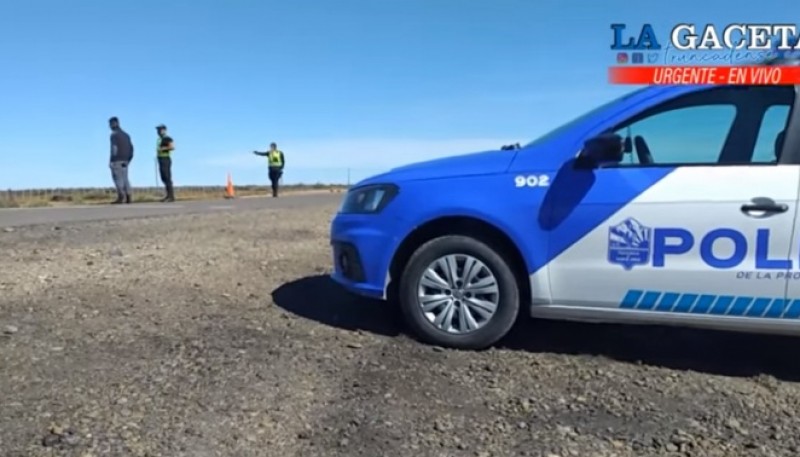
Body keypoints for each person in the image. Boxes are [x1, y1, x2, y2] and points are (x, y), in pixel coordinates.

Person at [108, 117, 134, 204]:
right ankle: (128, 196)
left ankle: (121, 197)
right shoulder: (126, 135)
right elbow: (131, 148)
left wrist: (112, 160)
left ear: (113, 124)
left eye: (110, 124)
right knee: (125, 178)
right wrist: (129, 158)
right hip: (126, 159)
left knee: (118, 178)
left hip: (117, 159)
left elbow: (114, 148)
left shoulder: (114, 135)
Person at [155, 124, 175, 202]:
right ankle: (168, 195)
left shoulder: (167, 138)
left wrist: (163, 148)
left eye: (160, 130)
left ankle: (171, 196)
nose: (158, 131)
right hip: (161, 159)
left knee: (167, 177)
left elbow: (172, 147)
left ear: (164, 130)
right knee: (163, 177)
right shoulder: (159, 139)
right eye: (158, 130)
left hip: (165, 159)